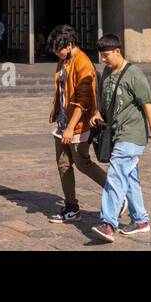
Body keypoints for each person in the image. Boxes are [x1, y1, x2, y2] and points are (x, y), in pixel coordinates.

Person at [89, 33, 151, 242]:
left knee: (115, 175)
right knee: (129, 179)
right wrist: (97, 112)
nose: (103, 60)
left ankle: (108, 223)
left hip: (132, 135)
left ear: (117, 52)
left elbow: (147, 104)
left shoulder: (134, 74)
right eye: (101, 56)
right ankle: (140, 220)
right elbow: (104, 99)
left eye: (106, 56)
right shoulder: (106, 72)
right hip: (115, 133)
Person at [45, 25, 107, 224]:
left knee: (82, 162)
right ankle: (71, 207)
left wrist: (71, 127)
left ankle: (115, 190)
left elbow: (83, 100)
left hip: (78, 124)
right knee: (63, 164)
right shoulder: (64, 61)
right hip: (62, 121)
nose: (56, 53)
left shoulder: (82, 63)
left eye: (58, 49)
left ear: (69, 45)